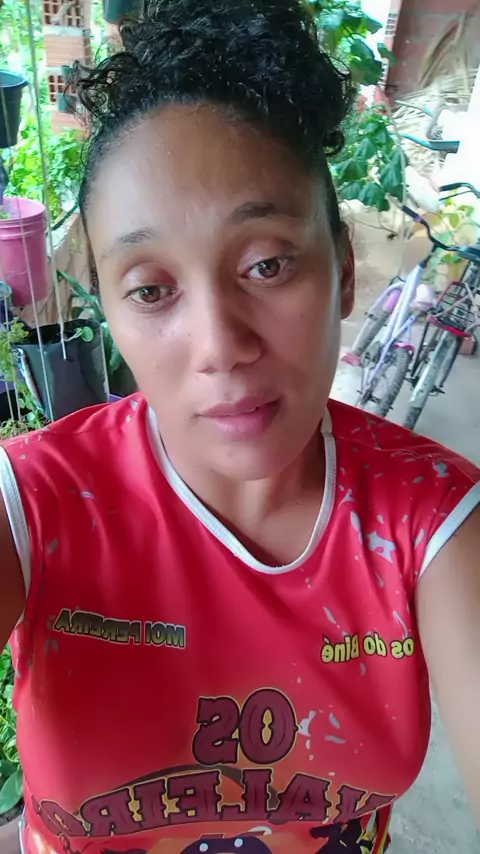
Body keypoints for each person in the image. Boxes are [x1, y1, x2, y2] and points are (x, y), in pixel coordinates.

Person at [0, 1, 479, 852]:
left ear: (342, 270)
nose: (220, 345)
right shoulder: (36, 502)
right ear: (109, 309)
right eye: (152, 290)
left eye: (267, 264)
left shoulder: (429, 521)